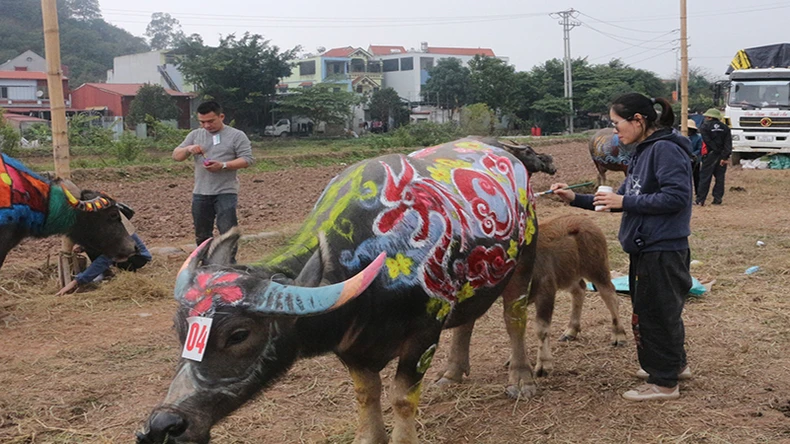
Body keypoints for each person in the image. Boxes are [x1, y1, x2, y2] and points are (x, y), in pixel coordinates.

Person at [550, 93, 693, 402]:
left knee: (657, 313)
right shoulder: (642, 152)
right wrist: (575, 199)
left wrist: (625, 201)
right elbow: (615, 200)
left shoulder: (665, 150)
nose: (616, 132)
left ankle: (664, 383)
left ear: (638, 121)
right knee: (655, 310)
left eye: (617, 125)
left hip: (662, 247)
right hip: (646, 246)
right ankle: (673, 365)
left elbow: (677, 197)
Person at [172, 101, 253, 262]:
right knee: (202, 234)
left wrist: (223, 165)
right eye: (202, 122)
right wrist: (189, 149)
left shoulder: (236, 135)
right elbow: (176, 155)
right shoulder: (195, 135)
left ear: (221, 116)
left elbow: (247, 159)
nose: (206, 125)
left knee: (227, 231)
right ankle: (205, 264)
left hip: (226, 192)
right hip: (201, 192)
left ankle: (229, 264)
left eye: (211, 121)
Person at [56, 204, 152, 296]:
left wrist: (76, 281)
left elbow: (104, 260)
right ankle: (105, 273)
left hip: (138, 258)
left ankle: (104, 274)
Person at [696, 108, 732, 206]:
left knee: (705, 178)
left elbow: (707, 141)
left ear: (709, 117)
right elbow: (728, 144)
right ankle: (717, 199)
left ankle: (700, 200)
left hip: (710, 155)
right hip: (722, 156)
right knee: (720, 178)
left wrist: (715, 150)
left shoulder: (704, 127)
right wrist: (725, 156)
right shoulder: (725, 128)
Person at [687, 119, 703, 195]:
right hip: (685, 159)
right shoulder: (683, 137)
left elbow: (700, 149)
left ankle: (698, 192)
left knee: (696, 177)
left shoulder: (698, 138)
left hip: (695, 160)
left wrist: (692, 154)